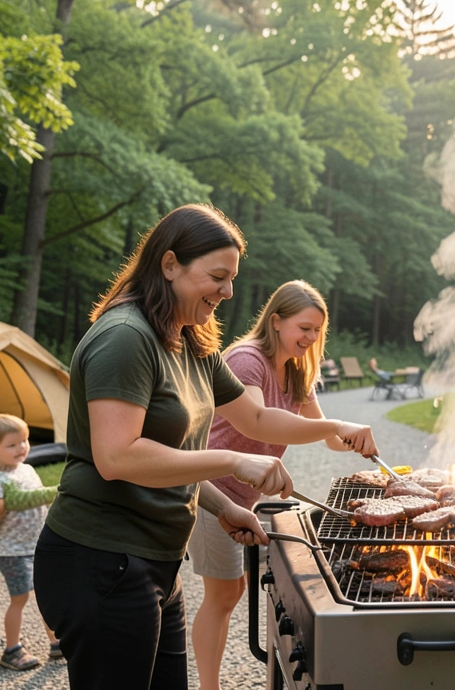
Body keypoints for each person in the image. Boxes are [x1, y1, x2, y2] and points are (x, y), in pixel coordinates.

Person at [33, 204, 375, 690]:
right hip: (100, 558)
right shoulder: (126, 337)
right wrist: (234, 461)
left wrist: (220, 504)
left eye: (232, 278)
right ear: (169, 265)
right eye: (217, 276)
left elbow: (254, 419)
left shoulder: (191, 341)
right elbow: (118, 457)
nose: (228, 291)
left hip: (156, 561)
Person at [189, 280, 376, 690]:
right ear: (276, 321)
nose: (310, 338)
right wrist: (339, 424)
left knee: (231, 592)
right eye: (303, 328)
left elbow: (325, 436)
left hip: (244, 497)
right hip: (210, 490)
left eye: (316, 331)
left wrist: (357, 444)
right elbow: (258, 418)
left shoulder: (295, 369)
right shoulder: (246, 360)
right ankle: (208, 686)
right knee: (221, 598)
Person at [0, 414, 59, 671]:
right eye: (12, 445)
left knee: (48, 595)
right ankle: (11, 650)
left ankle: (56, 642)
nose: (21, 448)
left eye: (24, 441)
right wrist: (12, 499)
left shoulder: (28, 469)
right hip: (11, 551)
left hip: (37, 546)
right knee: (21, 598)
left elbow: (39, 500)